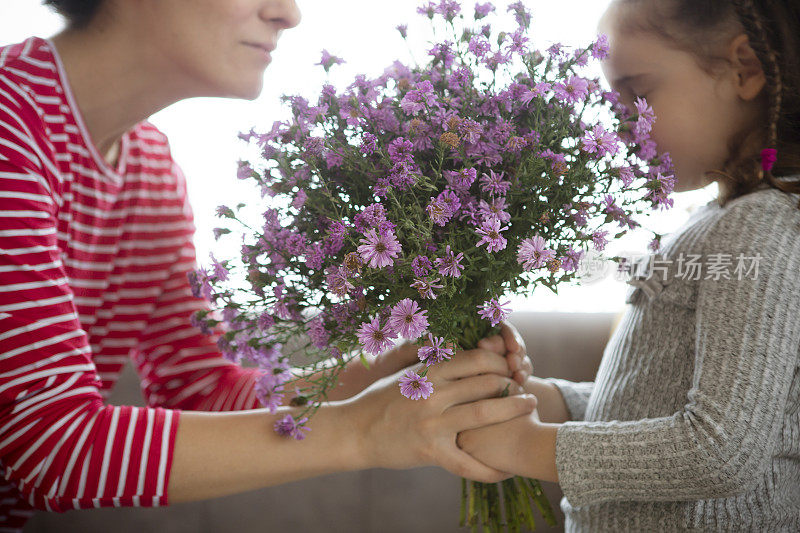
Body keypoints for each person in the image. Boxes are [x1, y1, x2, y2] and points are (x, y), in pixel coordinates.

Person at [0, 0, 538, 530]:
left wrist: (376, 374)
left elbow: (203, 396)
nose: (289, 13)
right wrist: (363, 431)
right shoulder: (9, 124)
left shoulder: (149, 170)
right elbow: (53, 449)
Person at [457, 0, 800, 530]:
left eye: (639, 93)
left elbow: (720, 449)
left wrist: (528, 447)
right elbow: (653, 399)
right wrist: (546, 400)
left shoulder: (760, 226)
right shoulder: (719, 220)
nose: (622, 121)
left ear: (745, 68)